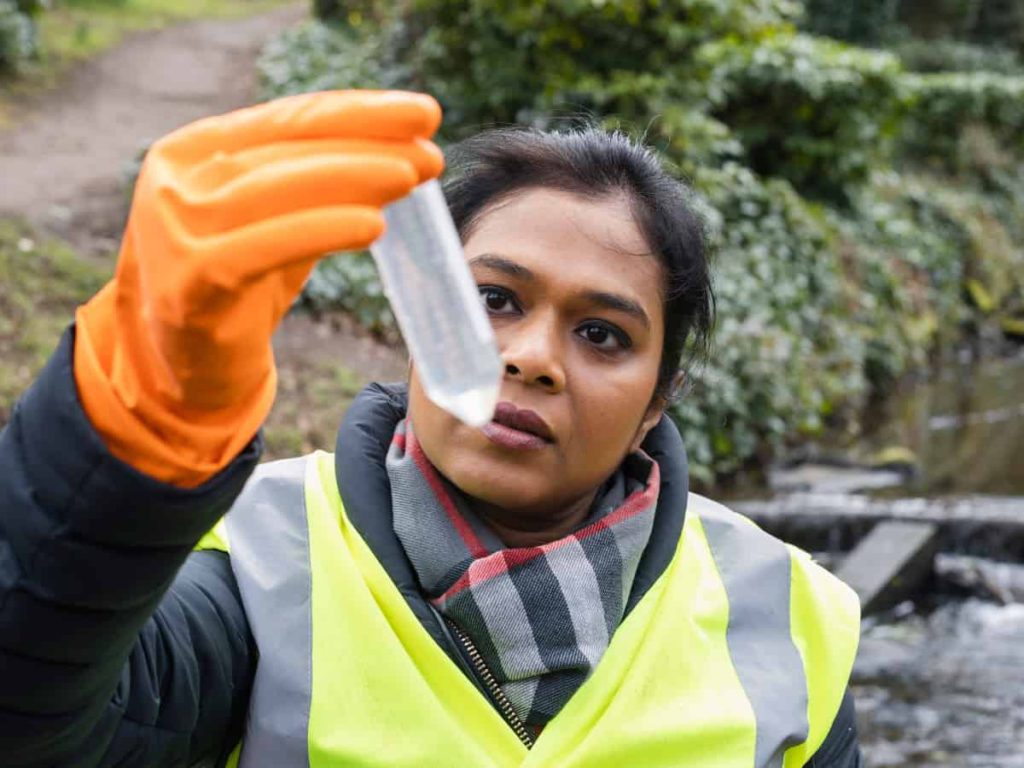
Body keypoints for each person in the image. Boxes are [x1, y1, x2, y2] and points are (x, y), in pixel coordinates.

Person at [0, 90, 863, 767]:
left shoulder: (787, 617)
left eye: (602, 334)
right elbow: (38, 722)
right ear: (420, 306)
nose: (531, 358)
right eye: (494, 299)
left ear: (657, 399)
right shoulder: (256, 560)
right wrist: (136, 423)